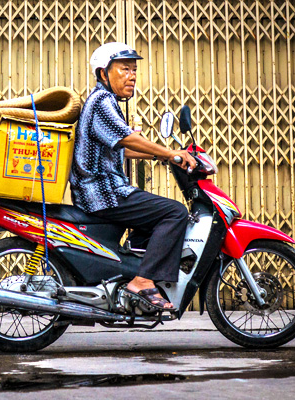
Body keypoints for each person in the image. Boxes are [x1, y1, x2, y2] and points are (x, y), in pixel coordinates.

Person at [69, 42, 196, 312]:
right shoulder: (102, 101)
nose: (133, 75)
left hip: (104, 190)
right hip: (102, 192)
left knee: (153, 217)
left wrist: (159, 156)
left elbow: (121, 148)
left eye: (135, 69)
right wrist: (171, 153)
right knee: (174, 213)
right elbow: (129, 138)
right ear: (104, 73)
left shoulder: (105, 101)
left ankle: (128, 276)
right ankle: (141, 281)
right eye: (125, 69)